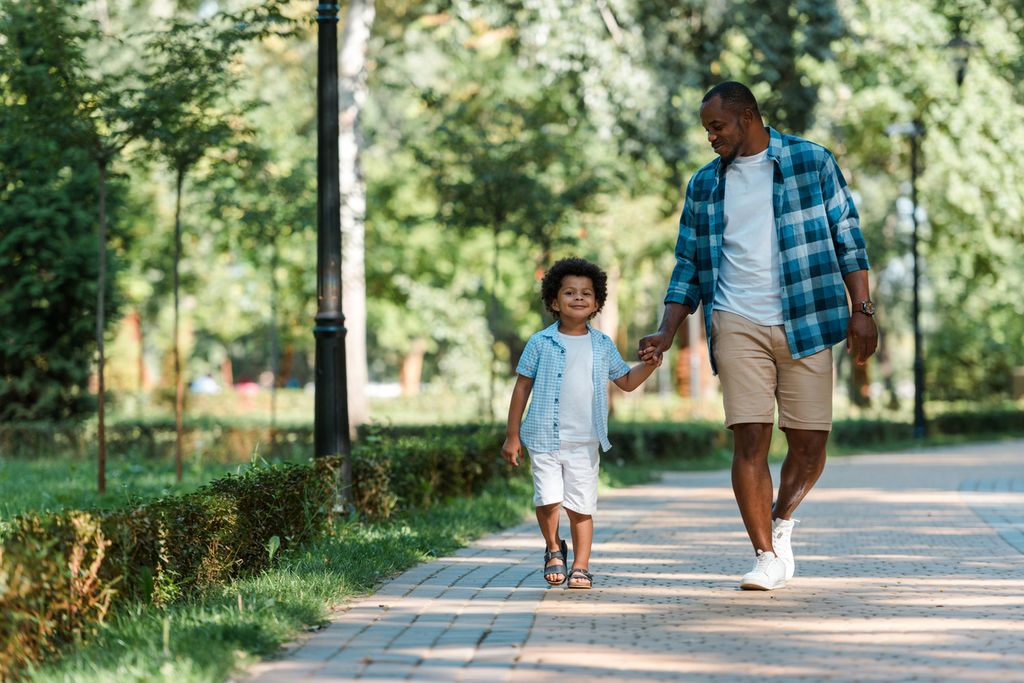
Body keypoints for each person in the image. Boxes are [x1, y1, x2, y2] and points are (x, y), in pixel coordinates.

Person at [639, 82, 878, 590]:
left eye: (717, 126)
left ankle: (782, 518)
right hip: (735, 318)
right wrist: (665, 331)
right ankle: (765, 555)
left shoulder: (811, 162)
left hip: (808, 317)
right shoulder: (704, 184)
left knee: (810, 444)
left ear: (747, 117)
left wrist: (862, 310)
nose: (711, 138)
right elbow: (688, 265)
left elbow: (848, 236)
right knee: (750, 437)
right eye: (707, 129)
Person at [502, 257, 660, 589]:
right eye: (569, 292)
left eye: (586, 293)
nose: (578, 298)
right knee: (547, 498)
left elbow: (627, 382)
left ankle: (581, 565)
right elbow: (522, 387)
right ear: (553, 301)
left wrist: (651, 365)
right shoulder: (540, 343)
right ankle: (553, 547)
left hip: (585, 440)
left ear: (597, 303)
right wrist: (512, 435)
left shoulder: (602, 344)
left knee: (581, 505)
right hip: (543, 435)